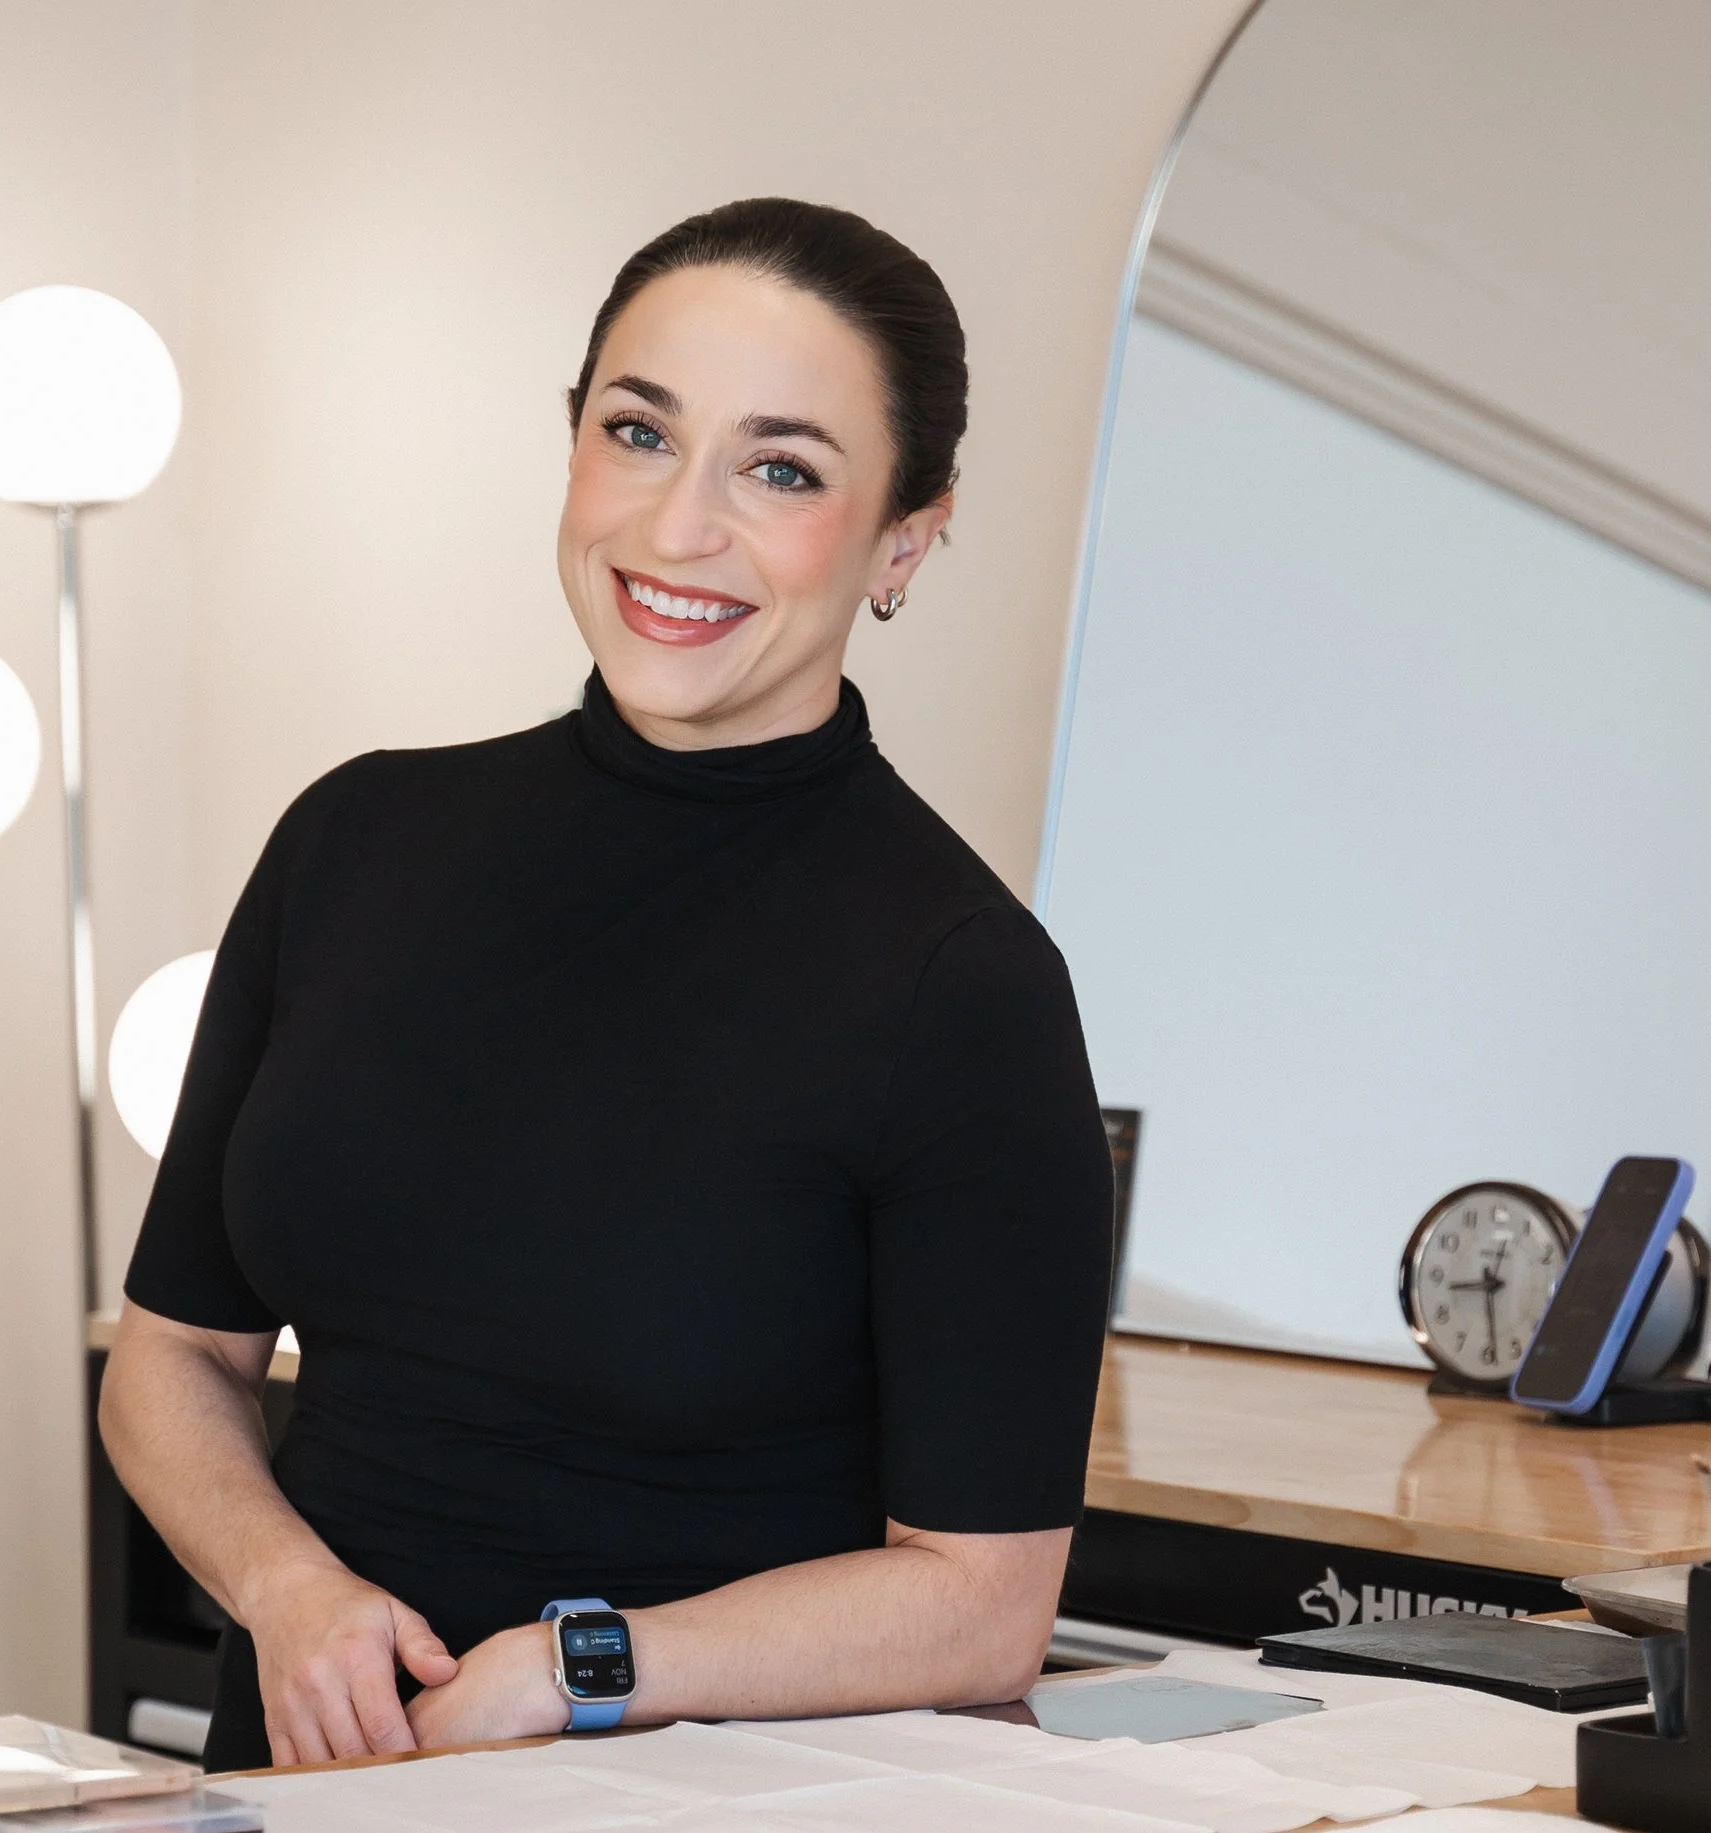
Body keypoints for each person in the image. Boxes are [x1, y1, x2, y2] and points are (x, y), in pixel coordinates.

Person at [99, 197, 1114, 1772]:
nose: (676, 528)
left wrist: (578, 1668)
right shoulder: (356, 838)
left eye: (780, 469)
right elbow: (172, 1355)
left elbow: (983, 1602)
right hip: (302, 1788)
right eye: (640, 433)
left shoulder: (962, 985)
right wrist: (287, 1591)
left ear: (906, 539)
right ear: (571, 443)